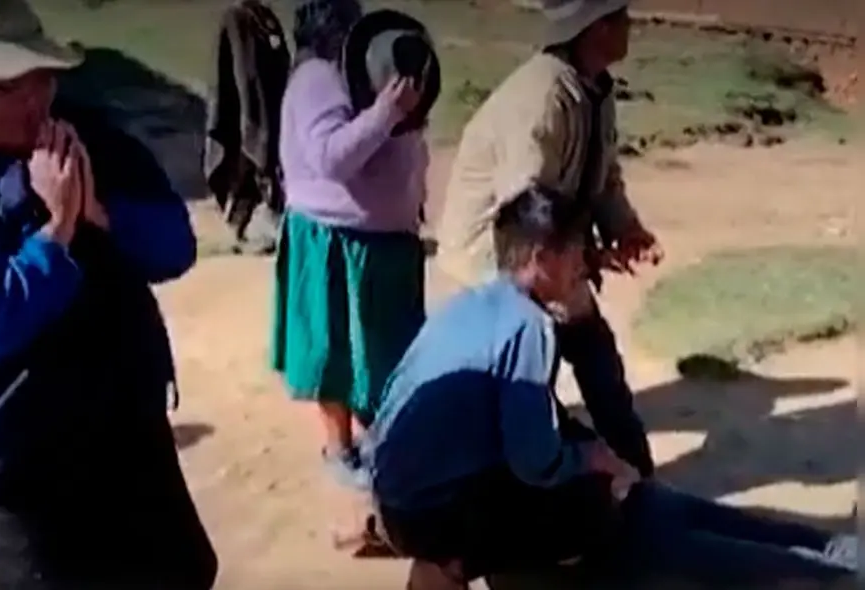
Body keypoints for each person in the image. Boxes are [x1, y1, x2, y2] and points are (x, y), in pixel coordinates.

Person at [0, 0, 217, 588]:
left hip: (125, 434)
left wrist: (98, 214)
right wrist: (58, 228)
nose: (33, 98)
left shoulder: (86, 142)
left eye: (41, 76)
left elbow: (174, 247)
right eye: (4, 86)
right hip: (20, 469)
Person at [363, 187, 858, 589]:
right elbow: (537, 461)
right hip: (443, 513)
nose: (586, 260)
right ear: (543, 257)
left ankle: (835, 554)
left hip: (400, 503)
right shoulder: (526, 326)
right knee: (634, 512)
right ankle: (833, 567)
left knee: (650, 503)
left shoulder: (470, 307)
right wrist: (594, 460)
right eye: (578, 248)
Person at [436, 0, 657, 477]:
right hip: (499, 252)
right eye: (619, 16)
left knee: (593, 356)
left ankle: (629, 471)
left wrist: (625, 229)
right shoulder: (541, 97)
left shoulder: (592, 89)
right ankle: (589, 473)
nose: (628, 25)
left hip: (551, 248)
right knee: (546, 361)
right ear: (593, 28)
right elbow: (525, 207)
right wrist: (581, 256)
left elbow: (603, 177)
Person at [270, 0, 430, 488]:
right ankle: (341, 449)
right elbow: (330, 158)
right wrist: (385, 112)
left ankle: (385, 440)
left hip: (384, 242)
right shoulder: (317, 79)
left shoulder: (364, 73)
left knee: (386, 351)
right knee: (336, 352)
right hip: (335, 240)